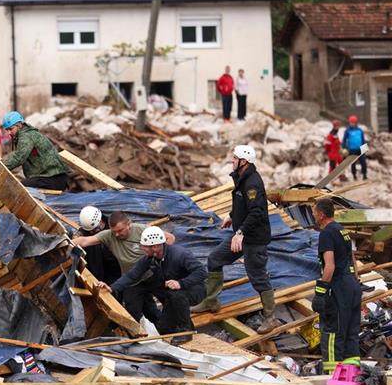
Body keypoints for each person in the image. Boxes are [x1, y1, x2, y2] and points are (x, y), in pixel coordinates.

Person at [191, 145, 279, 334]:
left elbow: (257, 211)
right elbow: (243, 205)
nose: (231, 161)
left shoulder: (252, 183)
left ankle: (270, 318)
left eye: (234, 158)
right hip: (241, 235)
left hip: (253, 239)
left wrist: (240, 233)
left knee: (258, 277)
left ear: (244, 162)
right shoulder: (242, 178)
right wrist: (232, 216)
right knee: (215, 259)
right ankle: (211, 301)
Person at [98, 227, 205, 343]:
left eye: (144, 246)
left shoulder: (180, 254)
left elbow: (202, 272)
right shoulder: (151, 258)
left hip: (195, 290)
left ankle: (187, 332)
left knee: (177, 295)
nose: (142, 248)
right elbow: (131, 275)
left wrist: (181, 283)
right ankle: (187, 327)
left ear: (155, 247)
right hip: (173, 293)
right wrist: (112, 288)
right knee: (164, 329)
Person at [73, 210, 175, 322]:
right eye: (114, 231)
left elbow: (169, 237)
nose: (117, 234)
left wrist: (160, 257)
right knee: (131, 313)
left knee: (171, 302)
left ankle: (183, 329)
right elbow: (85, 240)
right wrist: (63, 242)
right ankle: (140, 337)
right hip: (132, 281)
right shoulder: (109, 235)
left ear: (129, 224)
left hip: (153, 275)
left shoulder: (142, 230)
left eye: (120, 230)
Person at [311, 198, 362, 374]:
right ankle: (349, 380)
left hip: (339, 287)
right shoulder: (342, 231)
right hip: (352, 285)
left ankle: (335, 381)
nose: (312, 214)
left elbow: (329, 266)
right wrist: (356, 281)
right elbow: (352, 258)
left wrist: (320, 292)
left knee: (333, 333)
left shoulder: (326, 233)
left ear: (321, 214)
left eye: (313, 211)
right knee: (350, 334)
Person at [1, 111, 69, 191]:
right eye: (7, 130)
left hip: (53, 178)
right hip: (52, 177)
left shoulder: (26, 136)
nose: (9, 132)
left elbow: (19, 158)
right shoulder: (27, 133)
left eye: (11, 129)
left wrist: (0, 166)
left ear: (19, 125)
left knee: (20, 189)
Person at [76, 206, 121, 285]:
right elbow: (82, 240)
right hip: (99, 270)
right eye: (91, 231)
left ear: (101, 221)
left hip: (115, 268)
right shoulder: (86, 231)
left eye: (96, 229)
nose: (94, 232)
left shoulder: (113, 226)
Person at [341, 115, 367, 180]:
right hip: (352, 149)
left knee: (363, 162)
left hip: (360, 149)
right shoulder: (347, 130)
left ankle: (364, 175)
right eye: (350, 122)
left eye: (353, 122)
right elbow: (344, 140)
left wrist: (365, 148)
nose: (351, 124)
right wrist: (344, 147)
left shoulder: (360, 130)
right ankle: (354, 176)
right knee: (353, 163)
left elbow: (363, 139)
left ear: (356, 123)